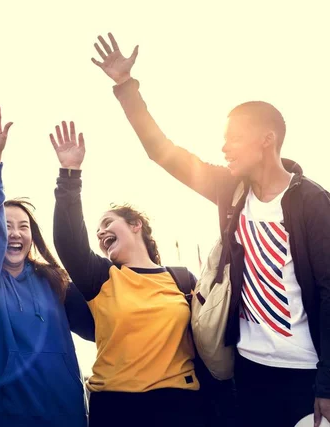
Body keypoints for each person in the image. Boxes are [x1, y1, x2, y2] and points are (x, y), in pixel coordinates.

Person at [91, 32, 330, 427]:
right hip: (251, 374)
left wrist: (329, 384)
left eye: (233, 139)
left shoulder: (312, 201)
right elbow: (162, 151)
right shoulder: (230, 193)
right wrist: (125, 86)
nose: (224, 149)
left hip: (308, 372)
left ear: (266, 139)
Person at [50, 121, 205, 427]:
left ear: (136, 225)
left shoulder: (182, 279)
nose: (101, 231)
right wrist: (70, 174)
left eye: (108, 222)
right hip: (117, 408)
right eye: (97, 231)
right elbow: (69, 241)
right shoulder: (102, 277)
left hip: (179, 405)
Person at [0, 104, 92, 427]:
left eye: (23, 226)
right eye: (6, 225)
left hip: (68, 412)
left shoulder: (54, 281)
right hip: (13, 415)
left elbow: (100, 324)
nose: (15, 233)